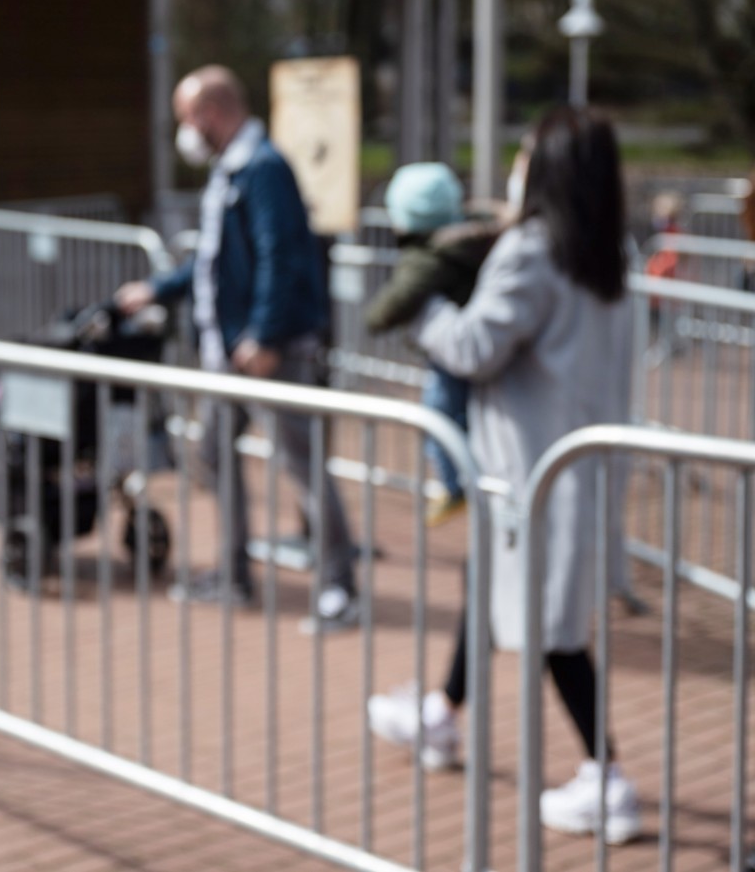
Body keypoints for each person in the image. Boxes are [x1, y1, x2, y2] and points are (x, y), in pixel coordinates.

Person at [365, 106, 643, 845]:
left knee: (553, 629)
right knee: (495, 589)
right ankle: (442, 714)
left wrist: (420, 303)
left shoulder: (531, 250)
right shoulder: (606, 252)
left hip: (531, 468)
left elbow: (474, 344)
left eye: (525, 155)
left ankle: (607, 776)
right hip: (576, 462)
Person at [116, 65, 358, 628]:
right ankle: (232, 572)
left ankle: (340, 587)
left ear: (211, 112)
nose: (184, 129)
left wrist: (265, 336)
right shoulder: (233, 168)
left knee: (301, 465)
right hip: (230, 352)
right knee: (214, 455)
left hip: (263, 350)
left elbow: (282, 256)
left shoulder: (263, 167)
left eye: (186, 117)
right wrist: (157, 288)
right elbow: (213, 262)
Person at [363, 163, 500, 525]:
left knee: (438, 419)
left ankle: (455, 486)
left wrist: (374, 317)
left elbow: (393, 303)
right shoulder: (472, 237)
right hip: (471, 353)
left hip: (450, 357)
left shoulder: (426, 258)